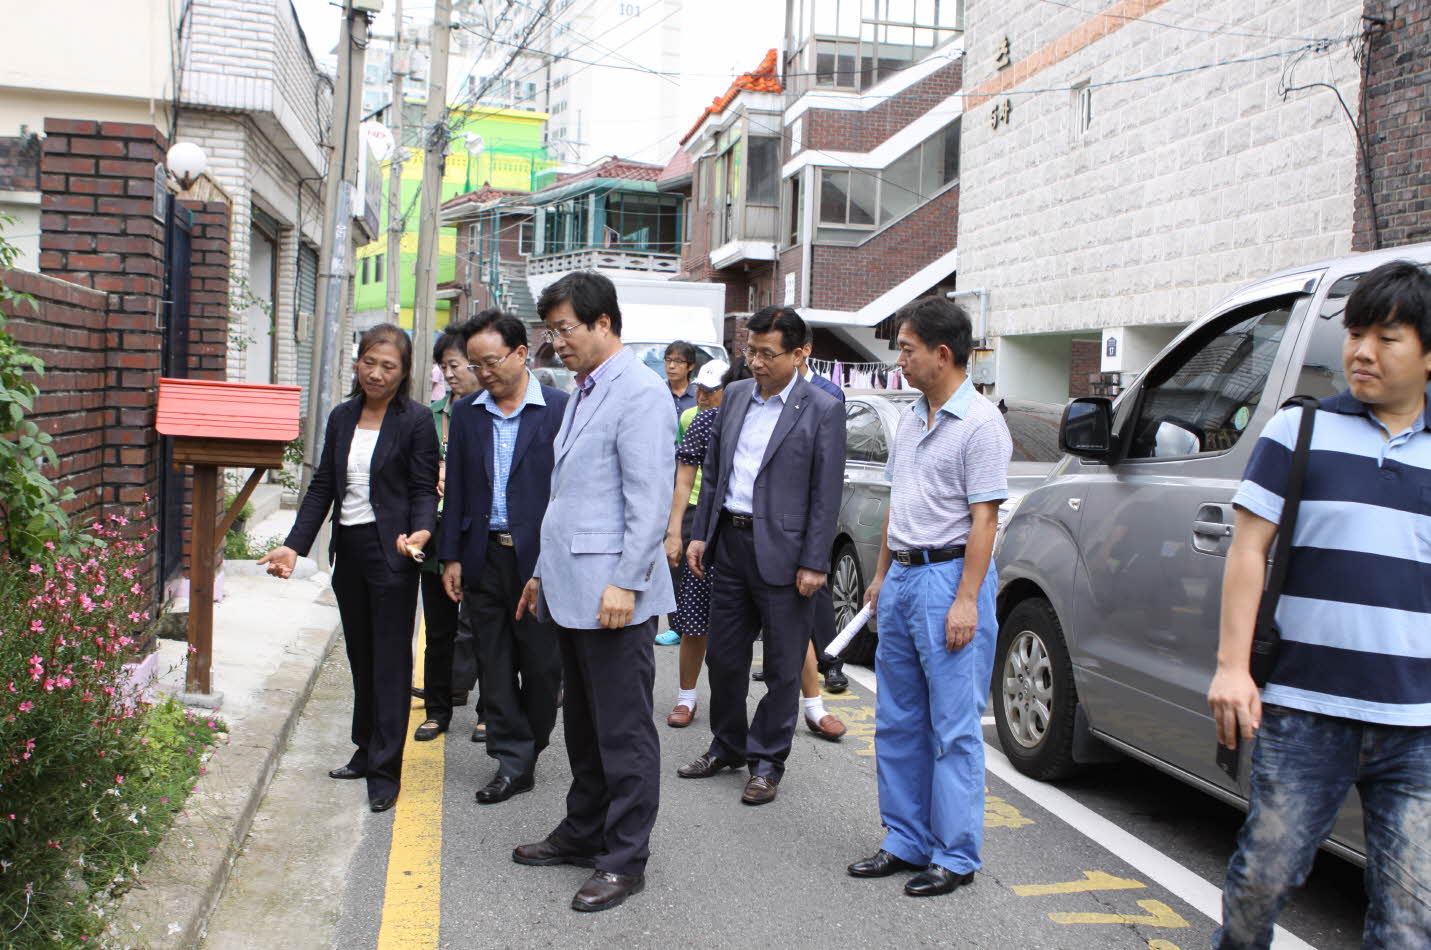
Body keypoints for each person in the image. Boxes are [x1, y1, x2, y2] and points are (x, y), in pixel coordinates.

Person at [1207, 259, 1431, 949]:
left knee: (1408, 917)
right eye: (1355, 333)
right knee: (1258, 883)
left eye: (1386, 337)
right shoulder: (1296, 432)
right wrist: (1232, 668)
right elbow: (1247, 552)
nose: (1361, 351)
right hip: (1305, 711)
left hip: (1416, 726)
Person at [511, 271, 676, 913]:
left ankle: (624, 856)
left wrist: (626, 583)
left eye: (564, 329)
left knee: (624, 731)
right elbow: (570, 498)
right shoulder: (585, 390)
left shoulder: (639, 392)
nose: (555, 343)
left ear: (603, 323)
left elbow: (648, 500)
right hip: (572, 585)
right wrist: (540, 575)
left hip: (614, 592)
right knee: (581, 723)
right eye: (550, 330)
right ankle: (583, 831)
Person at [846, 296, 1011, 897]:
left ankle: (955, 854)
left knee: (953, 727)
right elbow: (900, 501)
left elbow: (985, 520)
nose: (899, 360)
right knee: (897, 720)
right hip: (905, 577)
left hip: (949, 581)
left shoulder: (983, 424)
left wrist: (967, 600)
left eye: (908, 349)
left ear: (942, 355)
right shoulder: (913, 417)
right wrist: (883, 572)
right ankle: (905, 839)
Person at [259, 324, 439, 813]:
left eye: (389, 367)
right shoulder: (342, 417)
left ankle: (386, 768)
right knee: (361, 656)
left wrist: (423, 531)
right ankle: (366, 748)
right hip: (351, 551)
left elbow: (424, 488)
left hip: (395, 554)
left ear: (403, 374)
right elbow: (323, 487)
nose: (377, 374)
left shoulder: (417, 421)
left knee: (390, 661)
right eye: (369, 362)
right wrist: (294, 546)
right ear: (356, 363)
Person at [678, 306, 845, 805]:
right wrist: (700, 533)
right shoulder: (732, 397)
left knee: (782, 666)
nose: (755, 362)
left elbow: (826, 492)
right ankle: (727, 744)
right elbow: (715, 470)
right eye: (750, 351)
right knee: (725, 659)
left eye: (767, 354)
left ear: (800, 353)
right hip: (730, 542)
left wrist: (816, 561)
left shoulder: (822, 408)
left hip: (788, 556)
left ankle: (768, 760)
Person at [439, 309, 568, 804]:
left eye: (490, 361)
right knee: (493, 664)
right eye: (475, 364)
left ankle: (530, 743)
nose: (482, 372)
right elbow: (460, 490)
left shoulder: (559, 408)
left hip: (539, 561)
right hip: (483, 553)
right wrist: (451, 555)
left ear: (519, 353)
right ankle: (512, 758)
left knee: (541, 665)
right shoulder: (470, 413)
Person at [412, 323, 483, 744]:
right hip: (436, 537)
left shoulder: (489, 412)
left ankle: (489, 710)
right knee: (438, 630)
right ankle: (438, 708)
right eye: (444, 367)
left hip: (477, 536)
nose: (450, 374)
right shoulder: (430, 417)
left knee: (482, 627)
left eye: (455, 365)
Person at [662, 357, 736, 724]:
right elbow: (684, 480)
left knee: (780, 626)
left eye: (713, 390)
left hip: (750, 533)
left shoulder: (760, 420)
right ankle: (686, 697)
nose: (705, 396)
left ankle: (814, 705)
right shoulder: (699, 420)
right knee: (693, 618)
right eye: (702, 390)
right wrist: (675, 531)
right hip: (704, 529)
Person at [664, 340, 697, 419]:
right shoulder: (659, 391)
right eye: (668, 360)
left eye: (678, 361)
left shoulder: (698, 395)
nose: (671, 366)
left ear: (691, 366)